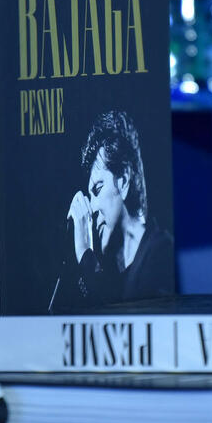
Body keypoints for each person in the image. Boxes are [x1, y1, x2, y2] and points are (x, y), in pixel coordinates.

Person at [50, 111, 173, 310]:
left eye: (98, 189)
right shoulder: (111, 272)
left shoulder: (160, 251)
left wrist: (83, 251)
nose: (92, 207)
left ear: (123, 181)